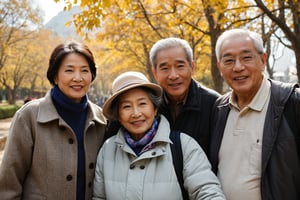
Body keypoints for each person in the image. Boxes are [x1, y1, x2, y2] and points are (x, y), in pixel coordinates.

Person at [92, 71, 226, 200]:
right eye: (126, 107)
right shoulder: (107, 150)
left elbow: (206, 190)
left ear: (155, 108)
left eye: (142, 104)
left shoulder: (183, 145)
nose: (136, 113)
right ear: (118, 116)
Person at [0, 41, 107, 199]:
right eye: (69, 70)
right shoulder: (29, 116)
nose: (78, 78)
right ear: (55, 75)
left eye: (85, 70)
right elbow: (9, 184)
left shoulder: (101, 119)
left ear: (92, 75)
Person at [209, 28, 300, 200]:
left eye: (246, 58)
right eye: (228, 60)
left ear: (263, 60)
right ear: (219, 66)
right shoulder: (219, 109)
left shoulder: (292, 103)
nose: (238, 67)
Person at [149, 37, 220, 155]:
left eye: (180, 66)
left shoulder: (214, 104)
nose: (173, 75)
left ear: (192, 68)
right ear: (155, 73)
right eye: (165, 68)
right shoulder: (148, 105)